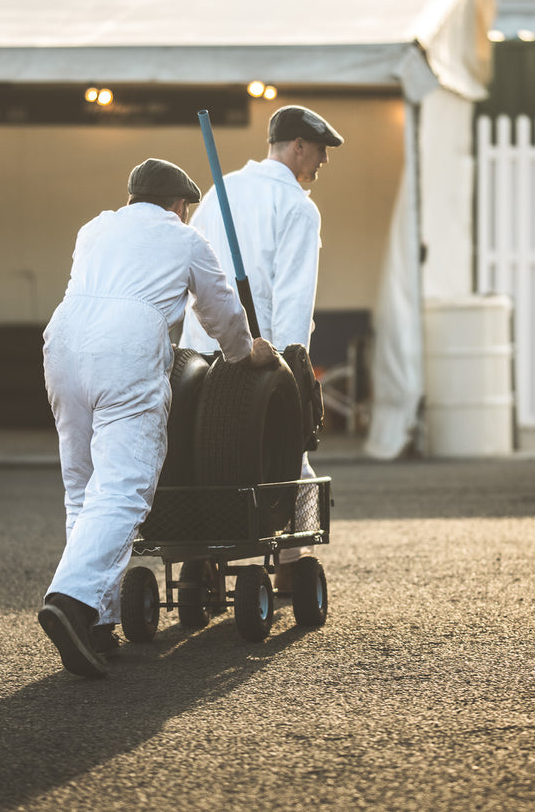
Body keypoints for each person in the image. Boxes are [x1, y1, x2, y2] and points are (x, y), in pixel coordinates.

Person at [39, 158, 278, 678]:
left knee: (83, 487)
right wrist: (244, 352)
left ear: (132, 198)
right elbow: (220, 309)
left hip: (63, 343)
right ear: (180, 205)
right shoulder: (185, 238)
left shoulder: (94, 228)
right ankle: (72, 600)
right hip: (125, 347)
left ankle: (98, 623)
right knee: (124, 487)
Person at [179, 104, 343, 580]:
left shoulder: (220, 191)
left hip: (200, 353)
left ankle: (199, 563)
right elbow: (294, 297)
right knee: (283, 455)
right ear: (298, 146)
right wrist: (293, 372)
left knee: (201, 452)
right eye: (320, 150)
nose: (324, 160)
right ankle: (291, 562)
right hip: (261, 355)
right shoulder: (298, 207)